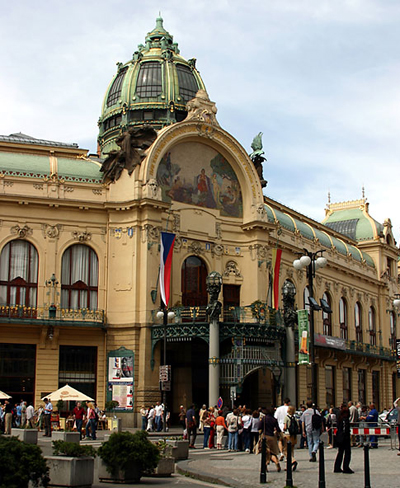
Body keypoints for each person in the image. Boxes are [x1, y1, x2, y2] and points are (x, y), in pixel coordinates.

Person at [259, 407, 282, 472]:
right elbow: (278, 429)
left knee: (266, 452)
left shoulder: (264, 419)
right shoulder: (274, 419)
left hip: (265, 437)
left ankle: (265, 465)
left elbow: (259, 427)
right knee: (273, 452)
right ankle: (276, 461)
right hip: (272, 437)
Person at [333, 404, 354, 473]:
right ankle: (346, 467)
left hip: (339, 437)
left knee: (340, 452)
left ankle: (337, 467)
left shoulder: (339, 418)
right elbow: (345, 429)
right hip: (345, 438)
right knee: (347, 452)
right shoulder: (345, 419)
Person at [283, 405, 298, 471]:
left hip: (288, 434)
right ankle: (289, 465)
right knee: (292, 450)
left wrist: (283, 430)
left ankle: (292, 461)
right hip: (294, 436)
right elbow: (298, 426)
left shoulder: (286, 417)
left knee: (285, 450)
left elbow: (285, 427)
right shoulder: (295, 418)